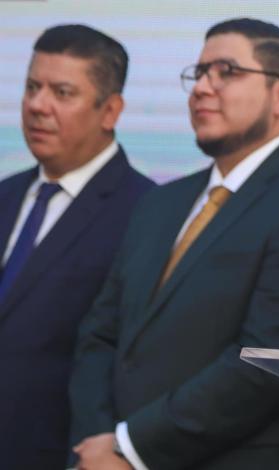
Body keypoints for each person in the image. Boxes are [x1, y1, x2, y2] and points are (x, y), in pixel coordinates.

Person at [68, 18, 279, 469]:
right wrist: (99, 440)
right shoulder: (161, 201)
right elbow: (99, 333)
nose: (202, 88)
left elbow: (264, 359)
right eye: (199, 73)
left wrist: (130, 448)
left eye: (227, 71)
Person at [0, 24, 154, 469]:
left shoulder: (146, 211)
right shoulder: (6, 195)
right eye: (32, 87)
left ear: (110, 111)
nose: (36, 106)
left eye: (62, 93)